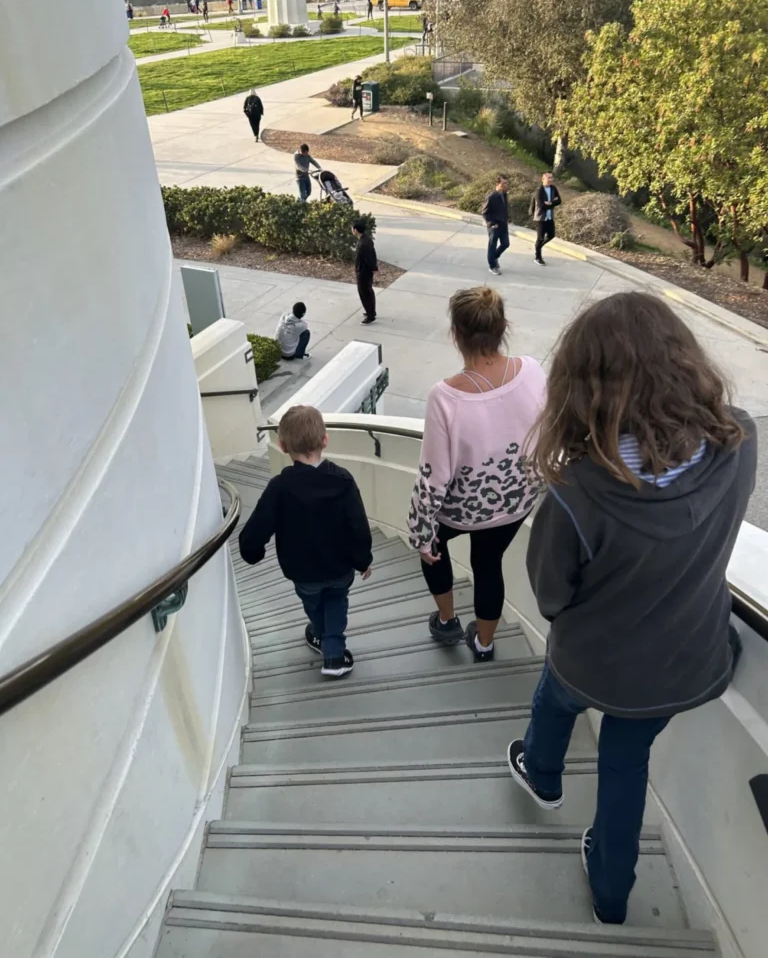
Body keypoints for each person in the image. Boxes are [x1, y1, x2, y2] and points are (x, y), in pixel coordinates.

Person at [507, 292, 755, 925]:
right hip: (683, 663)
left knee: (554, 695)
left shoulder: (576, 496)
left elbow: (551, 598)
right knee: (626, 762)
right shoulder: (741, 439)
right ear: (683, 363)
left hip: (591, 661)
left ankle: (541, 773)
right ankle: (612, 894)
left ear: (581, 389)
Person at [407, 287, 546, 661]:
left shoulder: (445, 397)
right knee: (488, 563)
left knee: (432, 546)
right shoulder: (532, 371)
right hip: (517, 502)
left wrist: (420, 532)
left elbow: (434, 477)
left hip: (461, 509)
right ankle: (483, 644)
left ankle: (447, 621)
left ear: (456, 333)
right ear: (503, 328)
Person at [239, 406, 373, 678]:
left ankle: (322, 636)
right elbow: (357, 525)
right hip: (339, 568)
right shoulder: (343, 480)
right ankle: (333, 653)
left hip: (302, 572)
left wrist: (251, 551)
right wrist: (363, 560)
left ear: (283, 445)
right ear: (325, 439)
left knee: (313, 603)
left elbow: (257, 529)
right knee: (336, 601)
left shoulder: (279, 487)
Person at [529, 171, 562, 266]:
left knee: (551, 235)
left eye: (552, 178)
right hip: (540, 218)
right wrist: (551, 203)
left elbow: (559, 200)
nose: (551, 180)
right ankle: (538, 257)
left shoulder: (553, 188)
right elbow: (541, 205)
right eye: (549, 178)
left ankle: (538, 247)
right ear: (543, 179)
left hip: (550, 217)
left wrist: (550, 203)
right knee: (540, 238)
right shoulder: (539, 190)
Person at [482, 174, 510, 275]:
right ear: (497, 184)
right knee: (492, 245)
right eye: (503, 183)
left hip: (503, 224)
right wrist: (491, 223)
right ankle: (492, 266)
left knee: (505, 243)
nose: (505, 185)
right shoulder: (491, 196)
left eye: (506, 183)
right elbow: (485, 212)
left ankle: (494, 257)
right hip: (494, 225)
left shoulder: (505, 194)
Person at [352, 218, 378, 325]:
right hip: (365, 271)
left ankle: (370, 315)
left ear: (356, 230)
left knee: (364, 293)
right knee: (368, 291)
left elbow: (368, 258)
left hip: (363, 272)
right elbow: (373, 254)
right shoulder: (366, 239)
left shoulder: (363, 244)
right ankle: (371, 311)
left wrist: (373, 268)